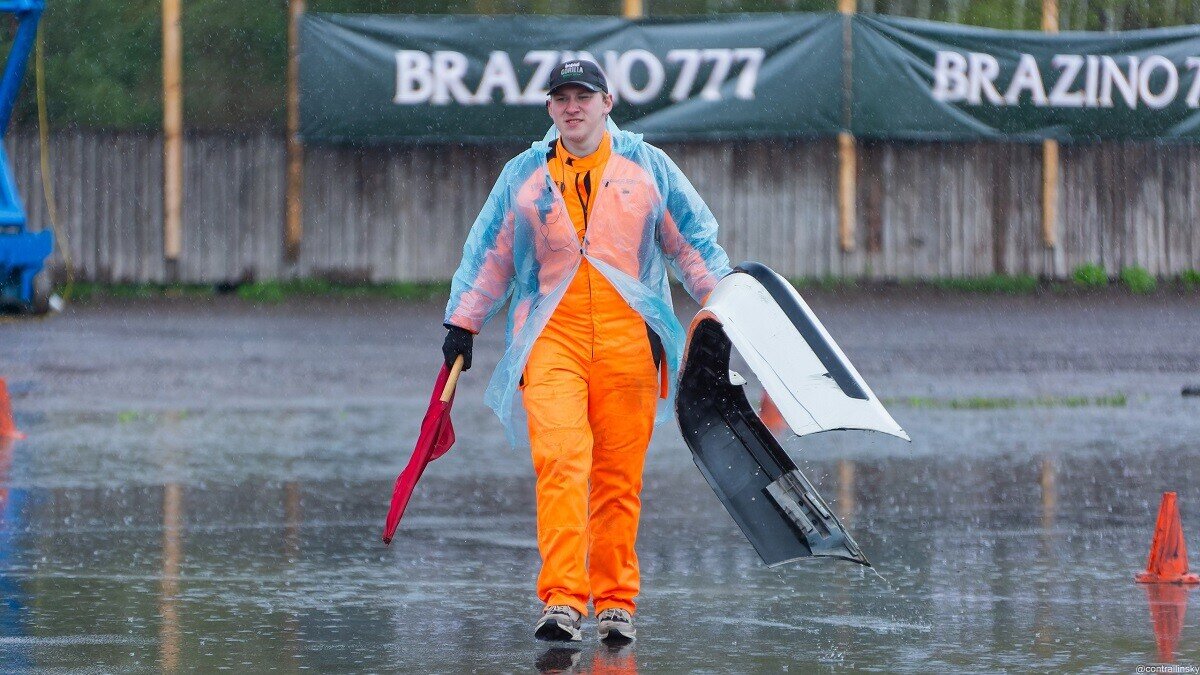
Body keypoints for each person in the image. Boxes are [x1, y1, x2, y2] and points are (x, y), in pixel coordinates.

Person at [441, 58, 731, 643]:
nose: (572, 107)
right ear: (549, 108)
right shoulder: (525, 175)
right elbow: (491, 254)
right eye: (561, 97)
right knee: (561, 462)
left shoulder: (647, 168)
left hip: (630, 340)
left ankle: (616, 602)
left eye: (584, 95)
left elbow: (693, 244)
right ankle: (564, 601)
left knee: (618, 478)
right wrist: (463, 325)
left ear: (607, 102)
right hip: (552, 339)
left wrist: (723, 308)